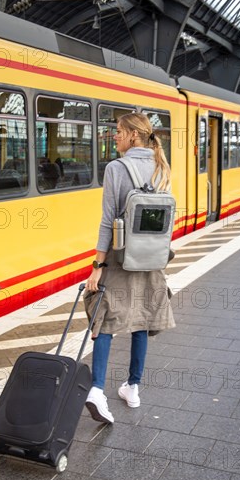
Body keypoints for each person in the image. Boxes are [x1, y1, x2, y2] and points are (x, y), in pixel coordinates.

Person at [84, 112, 175, 424]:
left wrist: (97, 265)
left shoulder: (116, 168)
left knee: (105, 318)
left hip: (120, 257)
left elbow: (108, 220)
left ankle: (97, 390)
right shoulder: (162, 165)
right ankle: (132, 387)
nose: (115, 136)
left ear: (134, 135)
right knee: (141, 320)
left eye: (119, 131)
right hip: (151, 258)